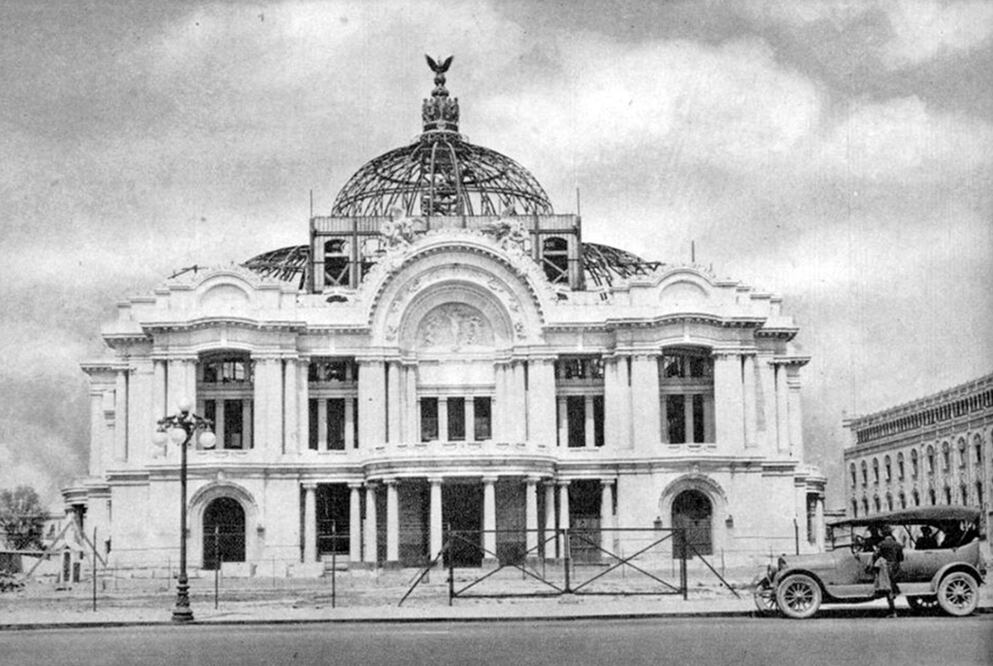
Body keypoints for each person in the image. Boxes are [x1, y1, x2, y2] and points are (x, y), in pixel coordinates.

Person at [871, 525, 904, 617]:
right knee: (891, 586)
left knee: (887, 589)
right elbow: (901, 558)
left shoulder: (881, 544)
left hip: (885, 568)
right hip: (895, 568)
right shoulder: (898, 545)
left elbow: (875, 555)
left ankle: (893, 611)